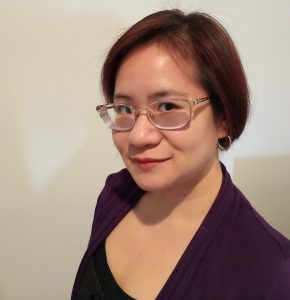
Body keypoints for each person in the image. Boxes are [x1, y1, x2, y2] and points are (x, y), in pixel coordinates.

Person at [72, 9, 290, 300]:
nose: (138, 136)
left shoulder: (271, 272)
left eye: (167, 107)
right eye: (125, 109)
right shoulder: (116, 193)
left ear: (223, 117)